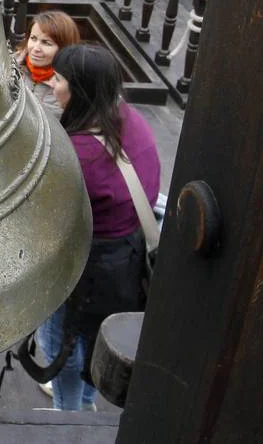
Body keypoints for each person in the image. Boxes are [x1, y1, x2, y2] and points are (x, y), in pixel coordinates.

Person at [36, 44, 160, 411]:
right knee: (94, 340)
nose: (53, 84)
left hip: (87, 268)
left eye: (59, 79)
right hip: (126, 256)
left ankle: (67, 413)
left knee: (64, 343)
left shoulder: (77, 155)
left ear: (80, 91)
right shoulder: (128, 119)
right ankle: (88, 399)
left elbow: (46, 218)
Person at [16, 10, 82, 114]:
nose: (36, 48)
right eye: (33, 38)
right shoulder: (11, 66)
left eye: (46, 43)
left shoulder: (69, 87)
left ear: (64, 48)